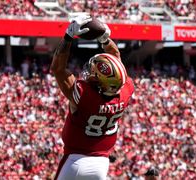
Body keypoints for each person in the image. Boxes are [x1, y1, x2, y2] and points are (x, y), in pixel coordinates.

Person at [50, 15, 134, 180]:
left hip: (75, 161)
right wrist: (105, 39)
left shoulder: (84, 96)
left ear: (100, 81)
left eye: (93, 72)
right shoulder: (125, 90)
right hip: (102, 163)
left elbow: (58, 69)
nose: (89, 72)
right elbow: (116, 58)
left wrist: (68, 37)